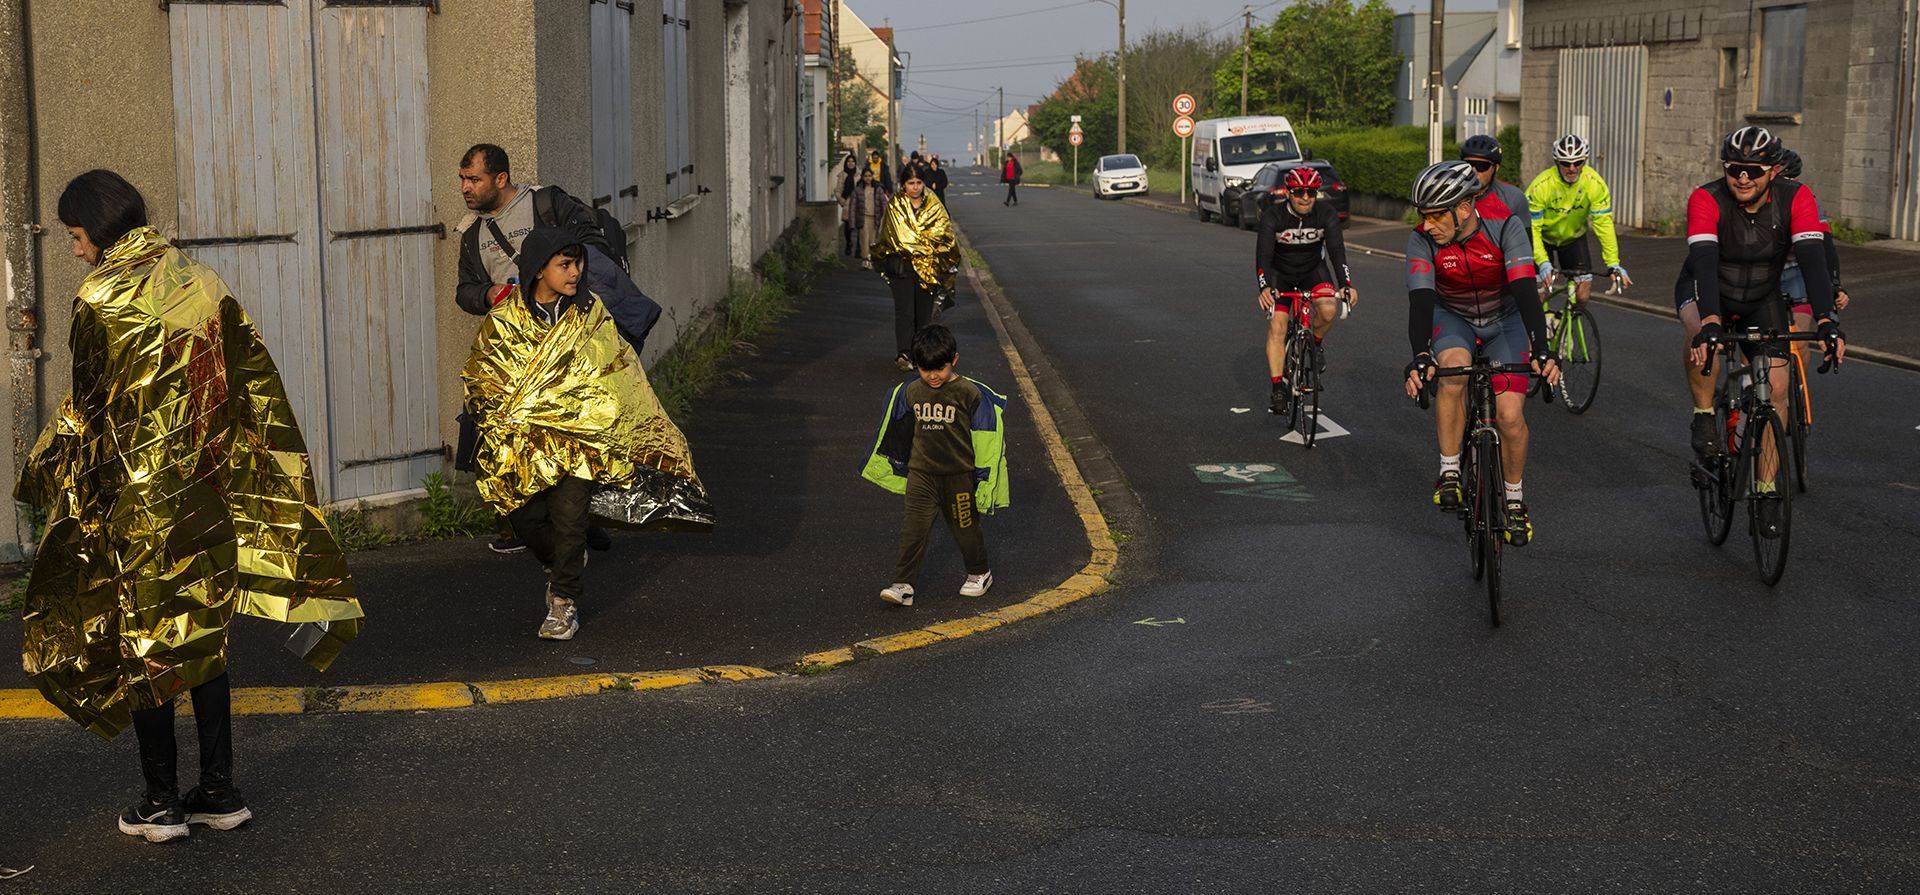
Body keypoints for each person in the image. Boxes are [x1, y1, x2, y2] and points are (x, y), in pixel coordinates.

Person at [19, 170, 365, 842]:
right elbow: (248, 380)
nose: (74, 249)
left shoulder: (99, 296)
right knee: (202, 638)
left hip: (135, 499)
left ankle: (160, 802)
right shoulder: (201, 281)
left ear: (97, 228)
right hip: (204, 491)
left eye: (75, 235)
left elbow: (89, 408)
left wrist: (53, 480)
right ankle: (219, 789)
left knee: (146, 643)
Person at [463, 227, 710, 640]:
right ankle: (560, 560)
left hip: (580, 443)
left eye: (577, 263)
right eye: (565, 264)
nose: (575, 272)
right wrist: (520, 413)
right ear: (539, 269)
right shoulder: (505, 319)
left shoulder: (590, 313)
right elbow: (483, 376)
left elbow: (616, 370)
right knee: (527, 520)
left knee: (570, 519)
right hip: (521, 446)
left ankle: (563, 603)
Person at [455, 143, 650, 555]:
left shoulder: (547, 203)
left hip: (570, 339)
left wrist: (547, 276)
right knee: (508, 437)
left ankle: (582, 524)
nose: (466, 188)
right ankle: (525, 526)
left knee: (579, 434)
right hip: (517, 352)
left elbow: (589, 245)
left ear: (500, 179)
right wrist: (489, 293)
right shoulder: (472, 234)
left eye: (474, 179)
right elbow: (464, 291)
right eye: (463, 180)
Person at [1675, 128, 1845, 532]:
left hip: (1760, 298)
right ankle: (1702, 415)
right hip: (1706, 286)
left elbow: (1812, 260)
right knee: (1702, 338)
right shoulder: (1706, 197)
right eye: (1735, 169)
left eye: (1753, 170)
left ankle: (1767, 488)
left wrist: (1826, 321)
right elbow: (1703, 261)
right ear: (1725, 169)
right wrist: (1711, 323)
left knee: (1779, 390)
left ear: (1772, 171)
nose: (1743, 178)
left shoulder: (1795, 197)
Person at [1402, 162, 1561, 545]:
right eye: (1423, 215)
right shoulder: (1421, 240)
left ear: (1465, 207)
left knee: (1509, 416)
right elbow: (1421, 300)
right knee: (1453, 371)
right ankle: (1451, 469)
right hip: (1452, 315)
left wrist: (1542, 350)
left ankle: (1515, 500)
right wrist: (1421, 355)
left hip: (1505, 320)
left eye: (1437, 215)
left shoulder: (1505, 228)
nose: (1428, 225)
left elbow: (1525, 292)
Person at [861, 324, 1010, 606]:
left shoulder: (970, 393)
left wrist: (983, 478)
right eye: (924, 369)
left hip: (958, 476)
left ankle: (979, 572)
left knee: (966, 528)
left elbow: (986, 439)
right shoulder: (911, 391)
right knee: (913, 530)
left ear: (954, 360)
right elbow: (898, 427)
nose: (932, 376)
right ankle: (903, 584)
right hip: (922, 475)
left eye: (939, 369)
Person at [1254, 166, 1358, 415]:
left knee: (1329, 309)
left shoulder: (1326, 214)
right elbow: (1263, 257)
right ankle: (1278, 387)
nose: (1305, 198)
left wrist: (1346, 284)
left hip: (1313, 271)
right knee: (1278, 326)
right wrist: (1265, 287)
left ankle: (1317, 345)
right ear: (1288, 192)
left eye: (1311, 193)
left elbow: (1336, 251)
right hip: (1280, 275)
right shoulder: (1273, 216)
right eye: (1299, 192)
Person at [1525, 134, 1633, 304]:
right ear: (1557, 162)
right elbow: (1532, 229)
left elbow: (1603, 225)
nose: (1572, 168)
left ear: (1585, 161)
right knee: (1539, 294)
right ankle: (1542, 326)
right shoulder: (1541, 186)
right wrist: (1543, 262)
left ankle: (1570, 322)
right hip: (1542, 239)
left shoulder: (1594, 184)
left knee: (1582, 295)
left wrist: (1613, 262)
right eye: (1566, 163)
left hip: (1573, 240)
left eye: (1578, 162)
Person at [872, 169, 960, 371]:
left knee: (924, 315)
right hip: (902, 267)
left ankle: (921, 355)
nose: (915, 187)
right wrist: (921, 244)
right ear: (904, 184)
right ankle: (905, 353)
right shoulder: (895, 205)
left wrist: (921, 245)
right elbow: (893, 236)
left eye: (919, 182)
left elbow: (944, 233)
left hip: (928, 269)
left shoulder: (933, 204)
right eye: (911, 182)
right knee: (905, 312)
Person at [1460, 134, 1529, 232]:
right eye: (1468, 165)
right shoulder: (1448, 196)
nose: (1473, 171)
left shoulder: (1514, 198)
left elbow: (1525, 242)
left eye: (1482, 166)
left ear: (1495, 168)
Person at [846, 166, 889, 269]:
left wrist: (887, 219)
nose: (868, 178)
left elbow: (884, 204)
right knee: (864, 239)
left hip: (874, 218)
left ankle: (870, 259)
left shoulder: (878, 189)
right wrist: (851, 222)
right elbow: (852, 207)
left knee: (872, 240)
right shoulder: (858, 190)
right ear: (862, 177)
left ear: (872, 177)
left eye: (870, 176)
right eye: (865, 176)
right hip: (863, 217)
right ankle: (865, 259)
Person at [834, 152, 861, 256]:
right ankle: (849, 244)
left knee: (860, 226)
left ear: (855, 163)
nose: (851, 163)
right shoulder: (842, 174)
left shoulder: (859, 174)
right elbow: (837, 190)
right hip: (847, 203)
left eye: (852, 161)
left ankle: (859, 247)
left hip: (858, 202)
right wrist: (842, 201)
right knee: (848, 227)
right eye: (848, 161)